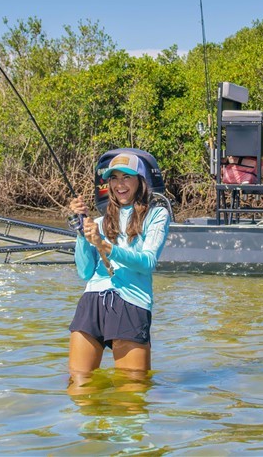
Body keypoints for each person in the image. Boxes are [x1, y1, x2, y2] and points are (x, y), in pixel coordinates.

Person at [66, 152, 170, 386]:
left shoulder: (157, 215)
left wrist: (106, 246)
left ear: (140, 181)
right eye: (113, 178)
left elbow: (147, 262)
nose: (119, 184)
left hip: (132, 303)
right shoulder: (101, 222)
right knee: (78, 385)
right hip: (93, 301)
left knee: (130, 392)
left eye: (126, 177)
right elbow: (84, 272)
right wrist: (83, 235)